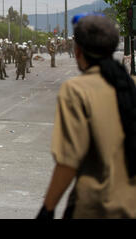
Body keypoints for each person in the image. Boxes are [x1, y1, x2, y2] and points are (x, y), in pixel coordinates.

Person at [37, 14, 136, 219]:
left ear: (78, 50)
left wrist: (47, 209)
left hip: (95, 207)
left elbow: (68, 161)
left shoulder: (76, 90)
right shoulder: (129, 85)